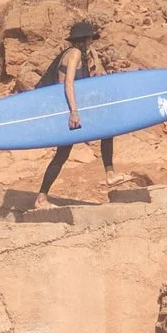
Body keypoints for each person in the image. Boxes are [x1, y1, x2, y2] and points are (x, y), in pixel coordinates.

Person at [33, 17, 116, 204]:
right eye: (90, 39)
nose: (92, 43)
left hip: (67, 108)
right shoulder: (74, 54)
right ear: (85, 39)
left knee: (63, 153)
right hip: (66, 109)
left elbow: (91, 81)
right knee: (106, 131)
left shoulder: (83, 56)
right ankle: (109, 173)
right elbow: (69, 82)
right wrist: (74, 112)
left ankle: (42, 196)